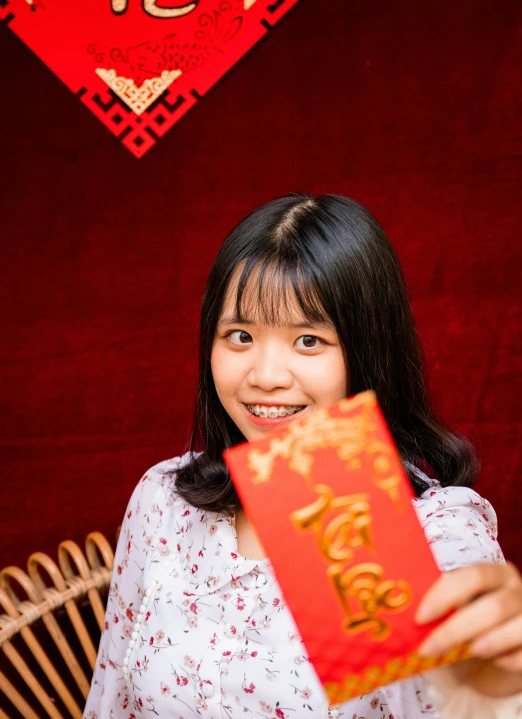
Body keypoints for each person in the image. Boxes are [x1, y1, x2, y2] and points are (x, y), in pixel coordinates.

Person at [83, 194, 522, 719]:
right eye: (240, 336)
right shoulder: (166, 499)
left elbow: (462, 681)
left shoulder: (429, 526)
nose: (266, 376)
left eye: (309, 340)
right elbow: (111, 698)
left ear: (368, 351)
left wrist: (488, 677)